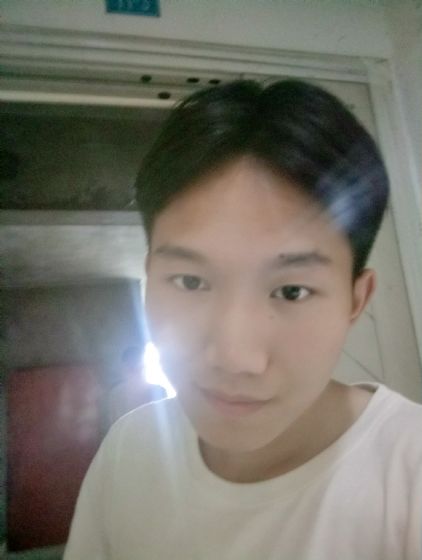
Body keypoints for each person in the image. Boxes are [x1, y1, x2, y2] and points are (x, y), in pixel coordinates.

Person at [64, 80, 422, 559]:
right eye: (191, 281)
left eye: (291, 291)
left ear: (356, 301)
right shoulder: (129, 450)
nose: (235, 359)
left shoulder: (409, 473)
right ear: (150, 278)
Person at [107, 346, 167, 426]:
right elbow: (114, 425)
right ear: (124, 367)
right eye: (130, 366)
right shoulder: (116, 394)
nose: (134, 369)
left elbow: (165, 423)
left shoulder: (159, 392)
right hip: (127, 433)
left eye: (137, 365)